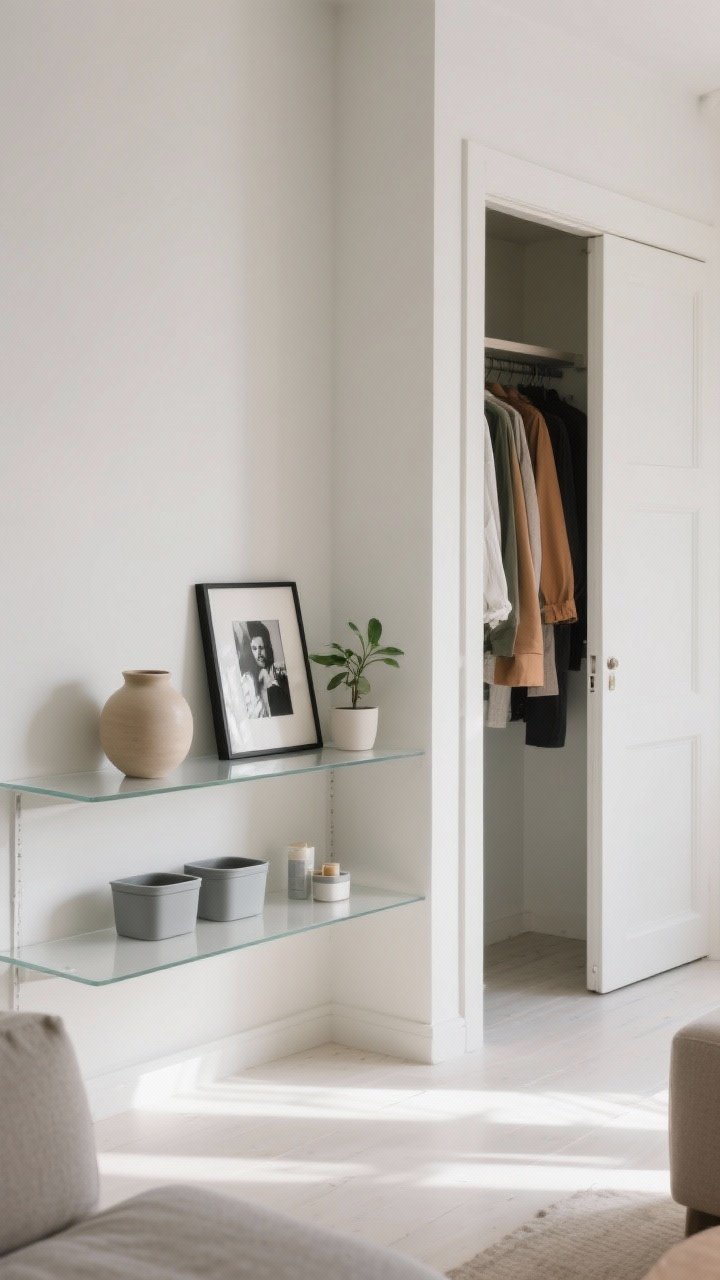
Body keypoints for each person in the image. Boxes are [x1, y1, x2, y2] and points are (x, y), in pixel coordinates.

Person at [234, 621, 293, 718]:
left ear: (268, 648)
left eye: (262, 647)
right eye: (254, 648)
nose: (259, 653)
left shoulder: (279, 673)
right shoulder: (247, 681)